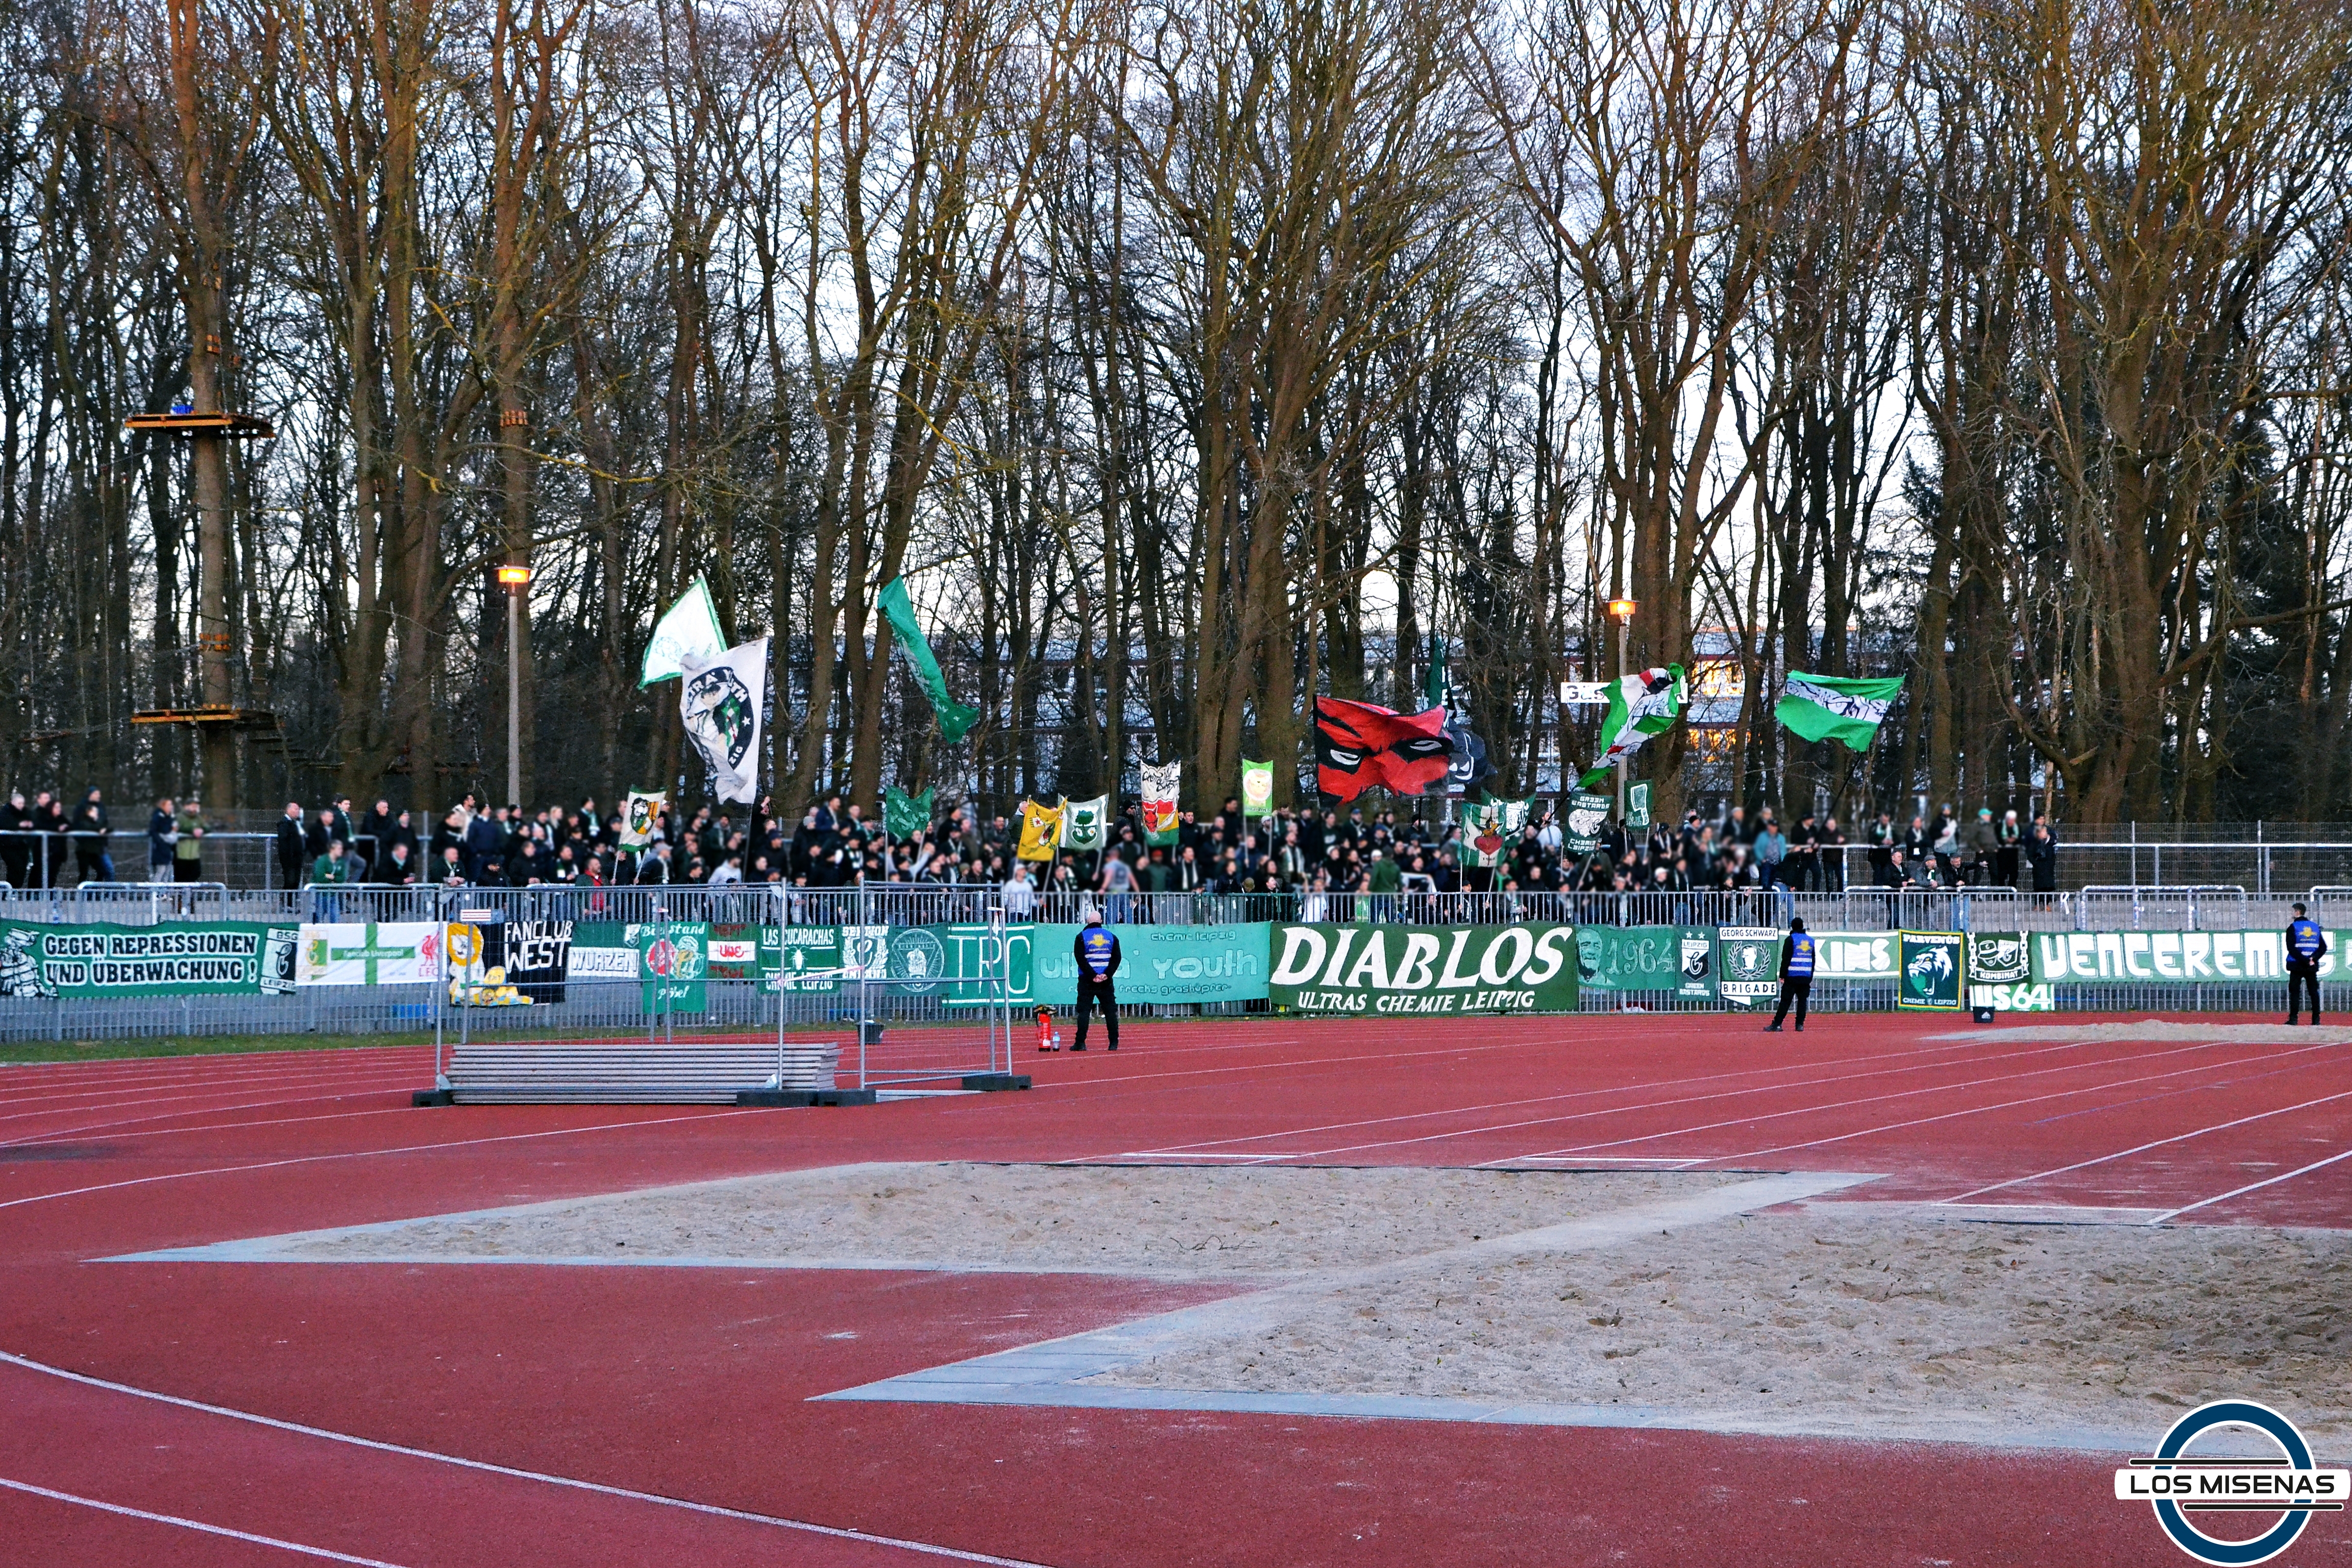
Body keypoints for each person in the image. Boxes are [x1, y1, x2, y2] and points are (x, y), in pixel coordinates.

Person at [1069, 904, 1120, 1052]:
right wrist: (1107, 974)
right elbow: (1117, 958)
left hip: (1087, 980)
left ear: (1087, 921)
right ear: (1101, 921)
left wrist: (1092, 975)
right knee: (1110, 1011)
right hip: (1106, 980)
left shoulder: (1081, 937)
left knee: (1084, 1012)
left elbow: (1080, 959)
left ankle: (1080, 1043)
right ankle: (1113, 1043)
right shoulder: (1111, 937)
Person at [1766, 917, 1817, 1033]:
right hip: (1806, 976)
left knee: (1785, 1001)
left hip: (1792, 976)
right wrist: (1810, 976)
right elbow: (1813, 960)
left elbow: (1786, 959)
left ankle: (1777, 1024)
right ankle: (1800, 1025)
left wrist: (1782, 975)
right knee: (1802, 1001)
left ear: (1792, 927)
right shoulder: (1810, 940)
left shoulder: (1791, 940)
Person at [2286, 902, 2327, 1026]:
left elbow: (2291, 949)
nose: (2292, 914)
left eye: (2293, 911)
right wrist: (2313, 959)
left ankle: (2293, 1019)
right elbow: (2323, 947)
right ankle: (2316, 1020)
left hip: (2297, 965)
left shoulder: (2293, 928)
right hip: (2311, 965)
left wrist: (2304, 960)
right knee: (2314, 992)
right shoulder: (2315, 927)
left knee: (2295, 992)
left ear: (2298, 912)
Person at [71, 788, 112, 884]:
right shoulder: (81, 808)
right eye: (96, 794)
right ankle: (85, 895)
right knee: (85, 873)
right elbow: (82, 826)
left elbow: (105, 824)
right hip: (85, 848)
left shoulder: (101, 807)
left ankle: (95, 894)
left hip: (98, 848)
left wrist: (104, 830)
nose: (99, 796)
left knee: (105, 871)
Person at [276, 801, 309, 890]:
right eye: (296, 809)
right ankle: (287, 901)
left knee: (296, 881)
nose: (298, 811)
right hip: (289, 858)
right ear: (289, 810)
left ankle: (291, 901)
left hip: (297, 857)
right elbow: (284, 842)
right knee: (290, 881)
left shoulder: (295, 824)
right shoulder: (284, 825)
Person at [173, 798, 206, 882]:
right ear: (186, 807)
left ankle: (188, 894)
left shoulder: (198, 818)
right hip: (181, 854)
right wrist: (192, 831)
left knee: (196, 874)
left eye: (196, 806)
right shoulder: (179, 817)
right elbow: (176, 828)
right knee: (180, 877)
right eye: (193, 806)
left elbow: (207, 827)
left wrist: (202, 830)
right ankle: (179, 895)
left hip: (194, 854)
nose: (195, 808)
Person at [147, 797, 176, 882]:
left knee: (168, 871)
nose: (171, 806)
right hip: (160, 848)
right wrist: (161, 842)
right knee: (161, 871)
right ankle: (154, 892)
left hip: (168, 847)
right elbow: (153, 831)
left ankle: (164, 894)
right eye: (169, 805)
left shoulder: (170, 817)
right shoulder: (158, 817)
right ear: (163, 806)